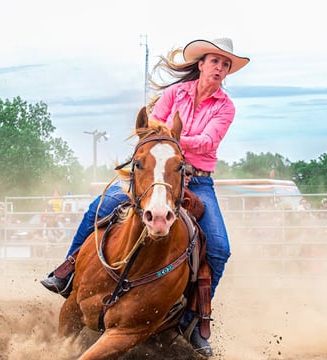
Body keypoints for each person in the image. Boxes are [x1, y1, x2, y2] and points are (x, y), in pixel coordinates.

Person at [39, 37, 249, 356]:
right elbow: (152, 126)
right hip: (157, 170)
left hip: (198, 178)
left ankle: (195, 320)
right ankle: (68, 269)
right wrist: (163, 141)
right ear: (201, 64)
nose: (219, 67)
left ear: (227, 71)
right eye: (214, 61)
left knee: (219, 247)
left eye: (225, 64)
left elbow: (208, 141)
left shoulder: (225, 107)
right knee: (103, 204)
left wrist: (171, 138)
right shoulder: (174, 94)